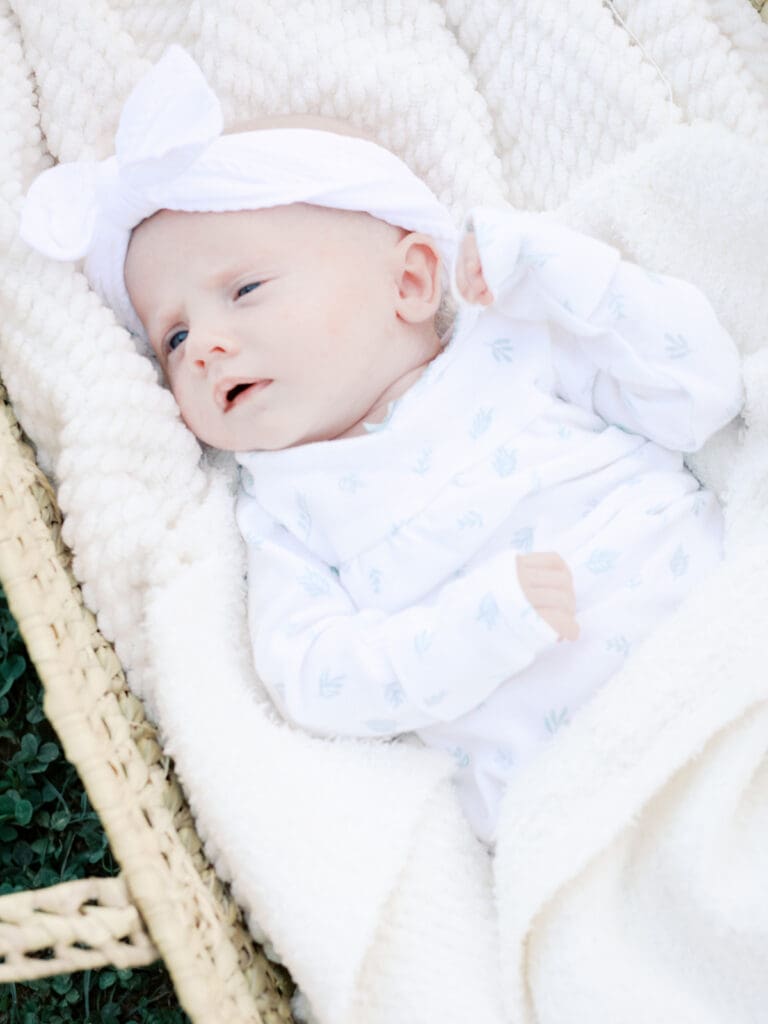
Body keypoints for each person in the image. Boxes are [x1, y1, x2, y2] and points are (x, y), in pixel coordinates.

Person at [20, 47, 744, 842]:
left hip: (724, 648)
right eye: (173, 335)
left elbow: (699, 395)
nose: (202, 349)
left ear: (408, 282)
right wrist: (479, 626)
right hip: (585, 800)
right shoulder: (286, 506)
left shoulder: (521, 346)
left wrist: (562, 271)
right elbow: (318, 681)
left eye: (245, 290)